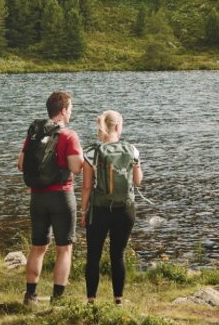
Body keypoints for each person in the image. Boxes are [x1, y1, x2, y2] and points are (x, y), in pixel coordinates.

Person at [17, 90, 84, 305]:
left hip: (37, 197)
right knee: (64, 248)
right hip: (61, 195)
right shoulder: (69, 135)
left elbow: (20, 164)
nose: (71, 113)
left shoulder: (34, 133)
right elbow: (76, 168)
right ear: (63, 111)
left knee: (38, 247)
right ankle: (58, 299)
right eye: (70, 109)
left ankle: (30, 296)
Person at [80, 109, 143, 305]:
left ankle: (91, 300)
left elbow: (87, 186)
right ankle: (118, 300)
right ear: (117, 127)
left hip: (99, 210)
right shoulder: (131, 149)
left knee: (93, 256)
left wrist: (83, 211)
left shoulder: (91, 151)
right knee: (118, 255)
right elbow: (137, 181)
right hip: (125, 210)